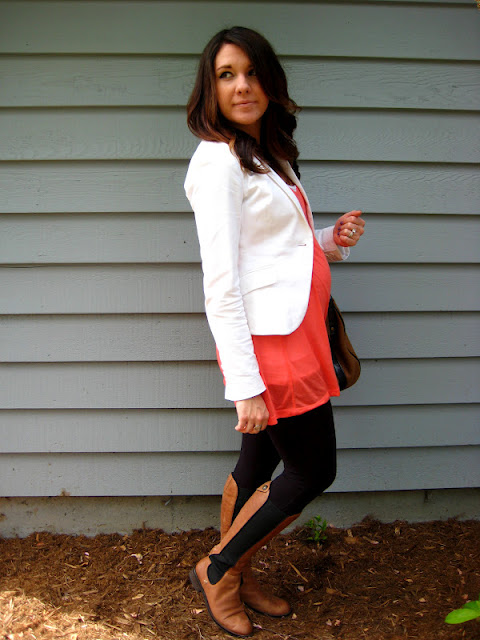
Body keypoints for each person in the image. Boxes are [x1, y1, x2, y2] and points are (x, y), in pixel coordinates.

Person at [184, 26, 365, 637]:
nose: (242, 86)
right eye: (226, 74)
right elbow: (221, 281)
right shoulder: (217, 163)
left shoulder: (267, 153)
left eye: (252, 72)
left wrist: (328, 240)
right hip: (269, 345)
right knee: (313, 471)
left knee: (259, 459)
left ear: (271, 81)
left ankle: (239, 570)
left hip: (298, 331)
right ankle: (219, 570)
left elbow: (274, 248)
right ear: (210, 88)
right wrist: (245, 385)